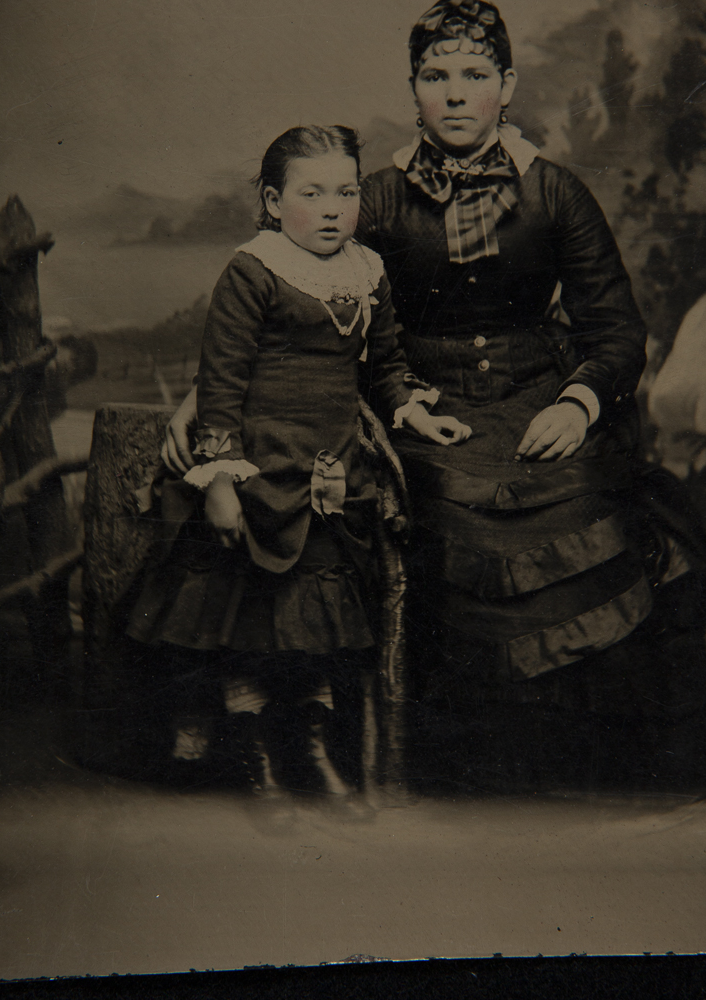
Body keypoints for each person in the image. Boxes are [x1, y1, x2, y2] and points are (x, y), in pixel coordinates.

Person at [164, 0, 706, 797]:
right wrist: (200, 400)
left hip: (542, 393)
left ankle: (589, 763)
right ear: (414, 90)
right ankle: (467, 767)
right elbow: (287, 299)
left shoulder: (554, 192)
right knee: (442, 505)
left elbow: (615, 331)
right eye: (436, 76)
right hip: (417, 399)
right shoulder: (376, 197)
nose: (456, 93)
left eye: (474, 74)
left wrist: (575, 405)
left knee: (584, 502)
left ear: (506, 86)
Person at [126, 125, 470, 817]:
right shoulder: (252, 270)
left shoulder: (367, 270)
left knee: (315, 621)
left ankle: (310, 753)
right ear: (273, 201)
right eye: (311, 194)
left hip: (329, 471)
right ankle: (260, 764)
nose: (333, 208)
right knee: (251, 621)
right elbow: (221, 384)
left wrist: (413, 412)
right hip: (257, 468)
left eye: (346, 192)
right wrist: (220, 482)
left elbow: (388, 366)